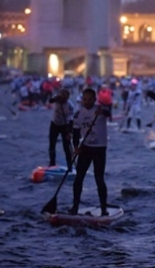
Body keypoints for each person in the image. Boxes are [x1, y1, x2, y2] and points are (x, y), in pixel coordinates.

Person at [70, 88, 110, 216]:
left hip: (99, 148)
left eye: (89, 99)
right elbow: (75, 133)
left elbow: (108, 113)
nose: (87, 102)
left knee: (99, 179)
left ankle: (104, 208)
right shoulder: (78, 114)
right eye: (84, 99)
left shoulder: (100, 110)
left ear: (94, 99)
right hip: (85, 147)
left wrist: (103, 111)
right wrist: (76, 147)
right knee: (78, 179)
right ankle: (75, 207)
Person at [48, 89, 75, 166]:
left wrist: (70, 132)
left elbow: (71, 120)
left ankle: (69, 165)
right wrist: (57, 97)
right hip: (54, 124)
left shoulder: (70, 106)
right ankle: (52, 163)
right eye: (62, 97)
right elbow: (50, 100)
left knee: (66, 146)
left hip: (65, 126)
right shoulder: (56, 100)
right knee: (52, 145)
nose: (63, 99)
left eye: (65, 98)